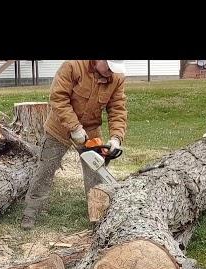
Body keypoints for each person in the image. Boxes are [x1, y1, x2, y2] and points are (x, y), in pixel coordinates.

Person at [21, 60, 128, 229]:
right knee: (45, 170)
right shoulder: (73, 66)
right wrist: (74, 127)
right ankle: (31, 212)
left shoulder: (116, 78)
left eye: (113, 69)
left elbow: (117, 108)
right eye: (108, 67)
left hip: (91, 130)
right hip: (59, 128)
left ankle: (98, 216)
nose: (110, 72)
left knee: (96, 173)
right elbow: (58, 98)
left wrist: (116, 137)